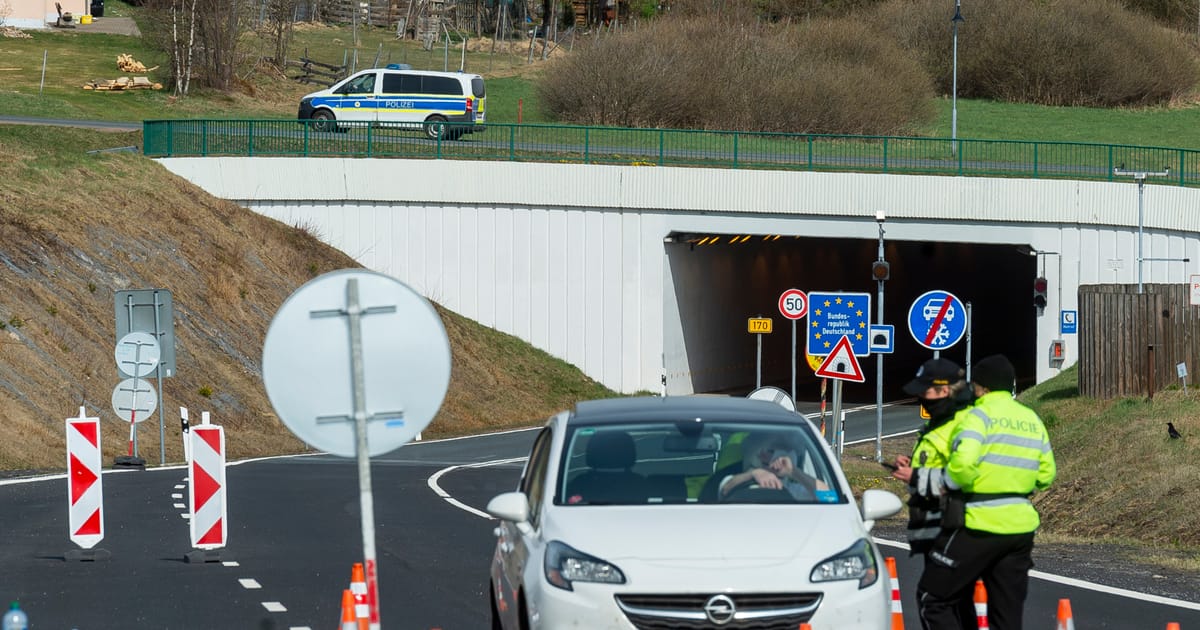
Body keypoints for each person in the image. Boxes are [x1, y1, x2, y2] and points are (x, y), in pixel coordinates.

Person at [916, 354, 1057, 630]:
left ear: (981, 387)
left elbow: (963, 466)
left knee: (933, 597)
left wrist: (947, 481)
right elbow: (1046, 475)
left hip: (978, 523)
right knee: (1006, 616)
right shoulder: (1032, 419)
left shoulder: (977, 416)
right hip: (1020, 528)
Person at [891, 357, 977, 630]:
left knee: (934, 601)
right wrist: (912, 468)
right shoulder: (939, 423)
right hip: (938, 528)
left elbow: (963, 476)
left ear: (943, 391)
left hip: (954, 528)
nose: (919, 397)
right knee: (956, 603)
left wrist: (916, 475)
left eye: (924, 391)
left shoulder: (963, 425)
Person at [717, 431, 829, 500]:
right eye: (766, 450)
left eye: (772, 451)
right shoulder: (738, 480)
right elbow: (726, 488)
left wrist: (793, 471)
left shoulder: (794, 490)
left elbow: (829, 497)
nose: (764, 454)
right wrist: (753, 474)